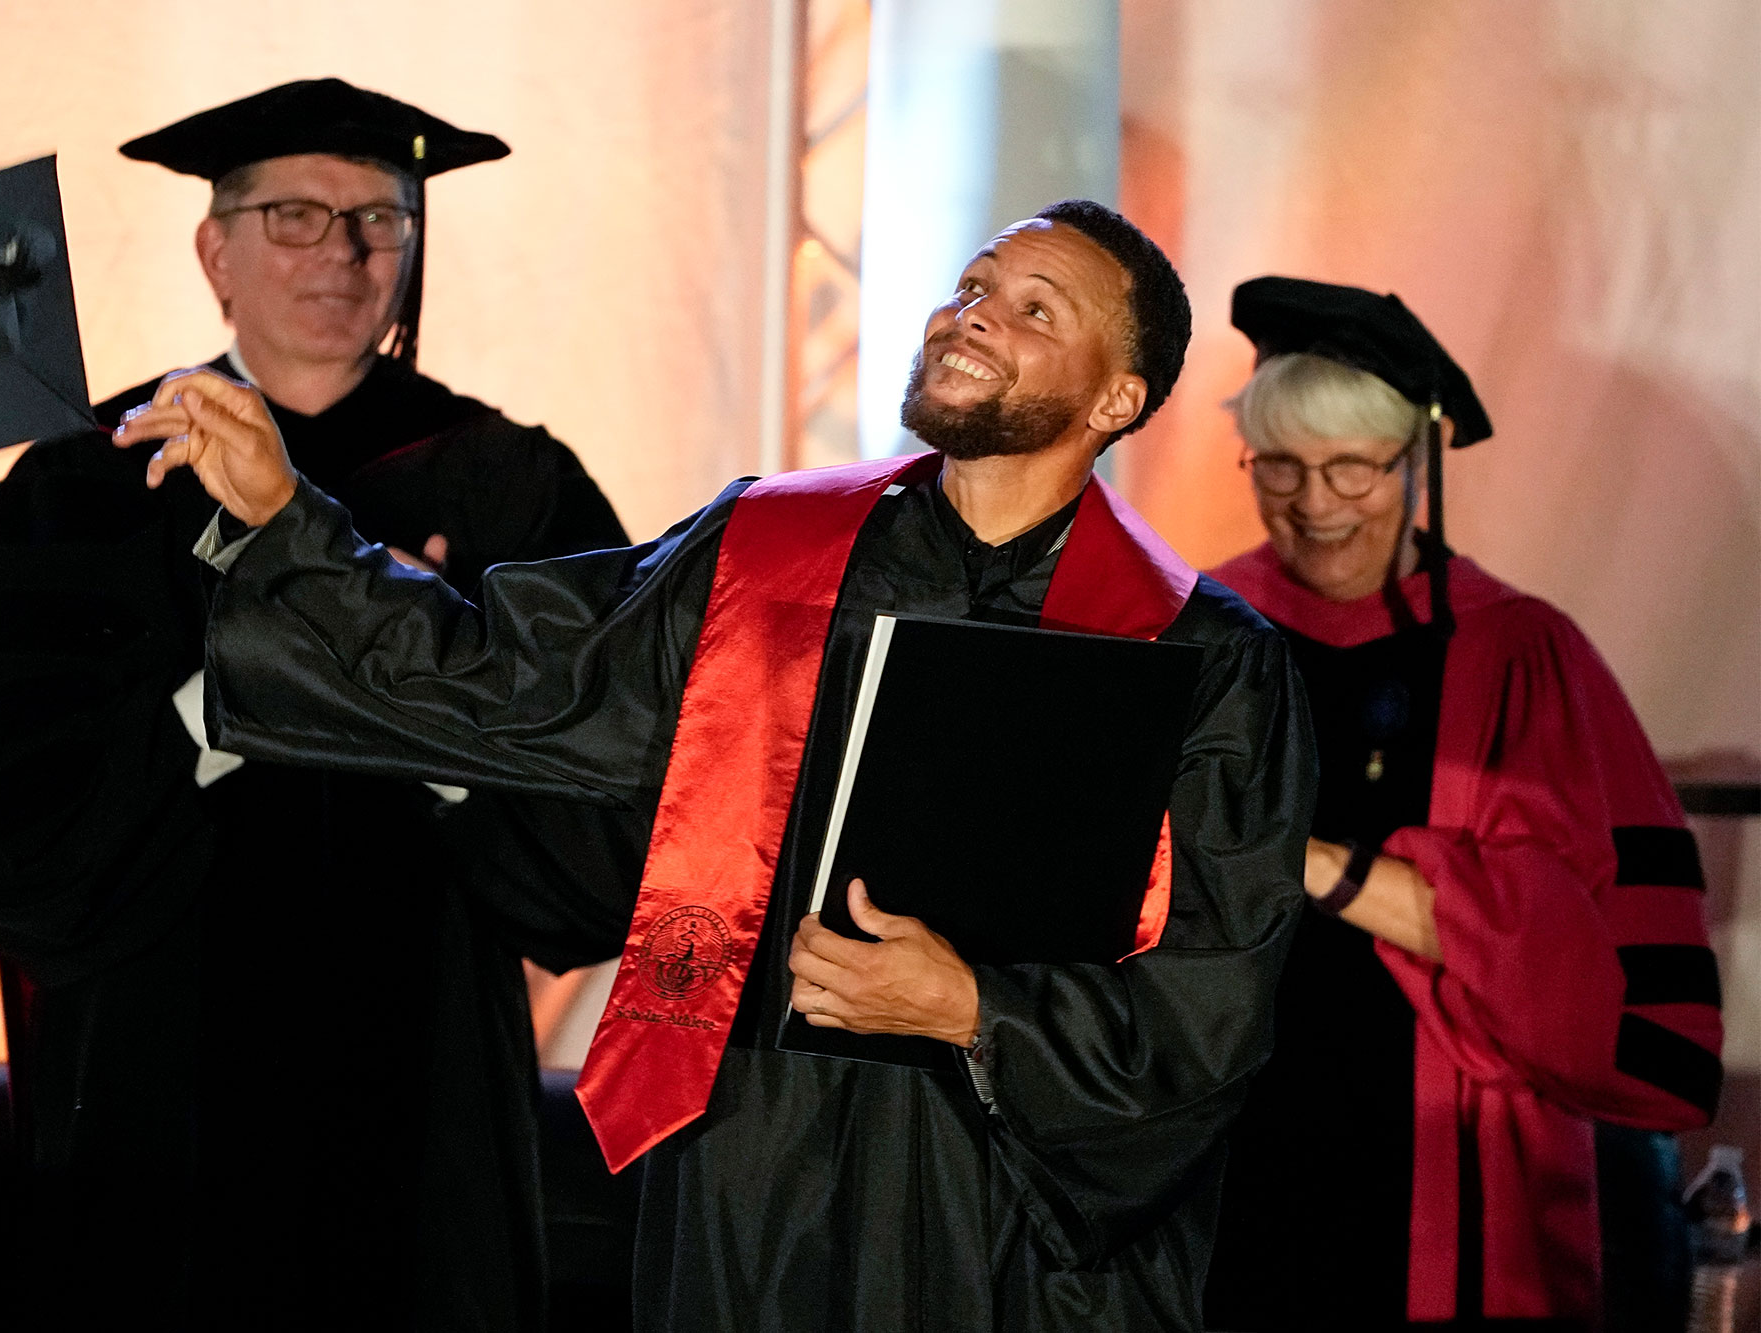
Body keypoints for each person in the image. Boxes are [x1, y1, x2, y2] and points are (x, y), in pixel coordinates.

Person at [113, 198, 1319, 1332]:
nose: (974, 313)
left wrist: (970, 1008)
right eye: (970, 286)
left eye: (1033, 307)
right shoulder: (771, 549)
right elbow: (515, 672)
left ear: (1117, 397)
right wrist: (292, 523)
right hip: (755, 1160)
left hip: (1007, 1199)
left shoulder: (1200, 661)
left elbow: (1212, 999)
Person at [0, 79, 630, 1330]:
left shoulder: (512, 489)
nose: (345, 252)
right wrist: (226, 700)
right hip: (156, 1122)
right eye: (295, 215)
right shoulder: (83, 486)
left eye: (380, 219)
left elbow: (605, 851)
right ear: (216, 251)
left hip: (427, 1131)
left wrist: (423, 690)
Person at [1199, 278, 1725, 1330]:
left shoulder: (1521, 654)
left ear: (1415, 462)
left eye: (1351, 467)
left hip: (1439, 1152)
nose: (1313, 502)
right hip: (1217, 1131)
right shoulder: (1198, 630)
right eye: (1281, 469)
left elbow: (1569, 962)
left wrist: (1320, 863)